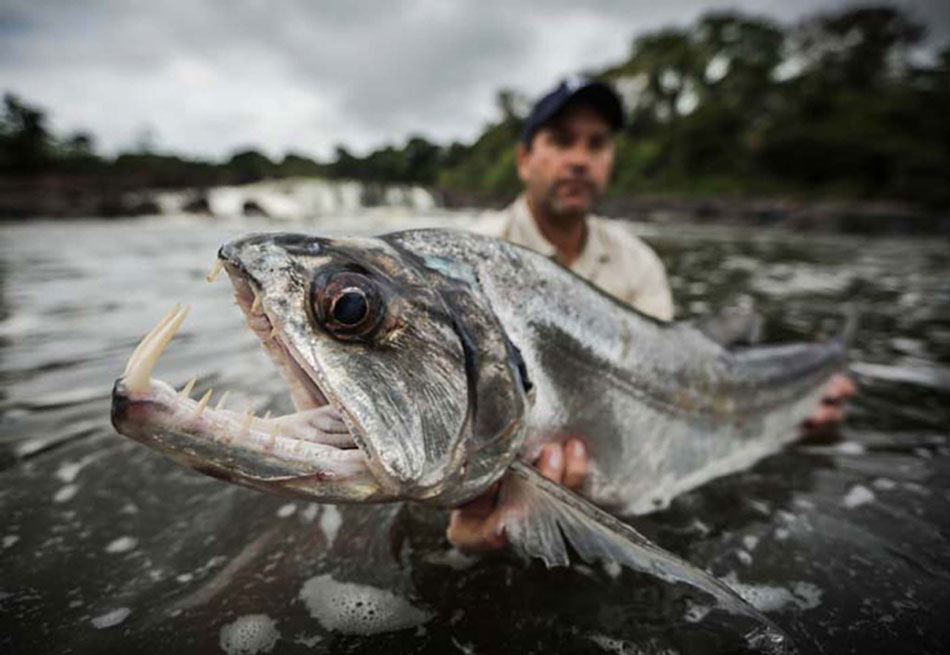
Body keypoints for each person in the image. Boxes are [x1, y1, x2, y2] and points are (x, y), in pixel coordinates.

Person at [448, 77, 856, 553]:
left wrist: (793, 419)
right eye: (561, 140)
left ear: (609, 162)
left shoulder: (639, 262)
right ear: (524, 160)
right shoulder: (464, 267)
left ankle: (824, 364)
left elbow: (674, 381)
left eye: (596, 144)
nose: (579, 158)